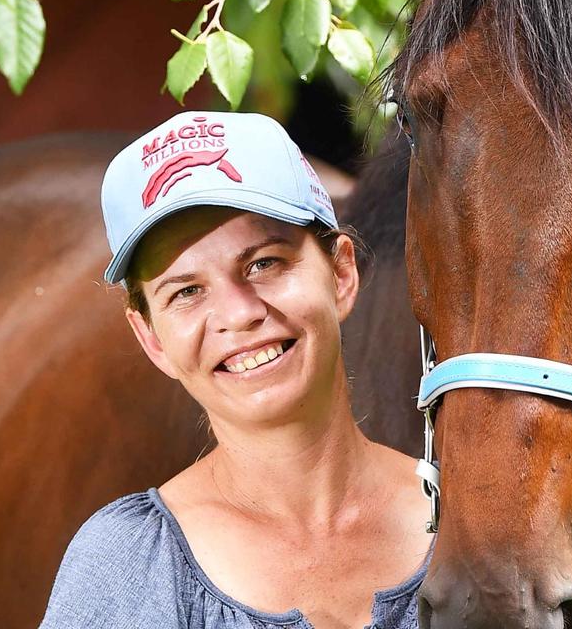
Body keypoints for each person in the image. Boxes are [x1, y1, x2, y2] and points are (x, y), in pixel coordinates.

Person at [39, 111, 431, 629]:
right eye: (186, 292)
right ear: (151, 338)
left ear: (340, 272)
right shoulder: (126, 567)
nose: (238, 313)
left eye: (264, 263)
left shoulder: (474, 531)